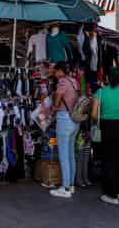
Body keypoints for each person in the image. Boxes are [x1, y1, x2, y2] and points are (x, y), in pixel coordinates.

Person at [91, 67, 119, 205]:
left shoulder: (100, 92)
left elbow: (93, 114)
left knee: (109, 159)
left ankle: (112, 194)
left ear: (108, 78)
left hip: (107, 126)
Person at [50, 62, 80, 198]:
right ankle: (71, 185)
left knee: (63, 154)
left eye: (56, 72)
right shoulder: (74, 82)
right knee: (70, 154)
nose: (55, 75)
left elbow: (56, 102)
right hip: (74, 120)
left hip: (64, 119)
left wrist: (52, 105)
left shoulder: (62, 82)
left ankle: (65, 188)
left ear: (60, 71)